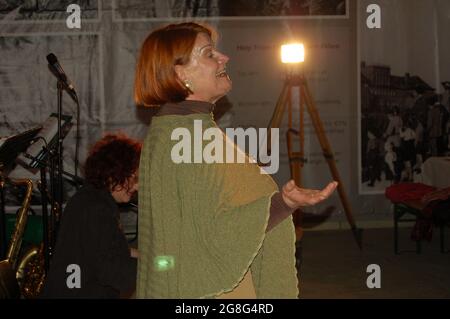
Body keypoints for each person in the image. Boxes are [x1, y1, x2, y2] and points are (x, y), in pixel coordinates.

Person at [134, 22, 337, 299]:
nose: (223, 57)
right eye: (209, 54)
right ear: (180, 74)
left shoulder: (173, 129)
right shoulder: (188, 135)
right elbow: (213, 233)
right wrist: (284, 203)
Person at [40, 133, 141, 298]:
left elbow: (104, 249)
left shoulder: (89, 199)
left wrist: (144, 254)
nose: (137, 186)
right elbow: (116, 272)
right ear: (114, 172)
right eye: (134, 178)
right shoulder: (97, 209)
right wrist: (161, 265)